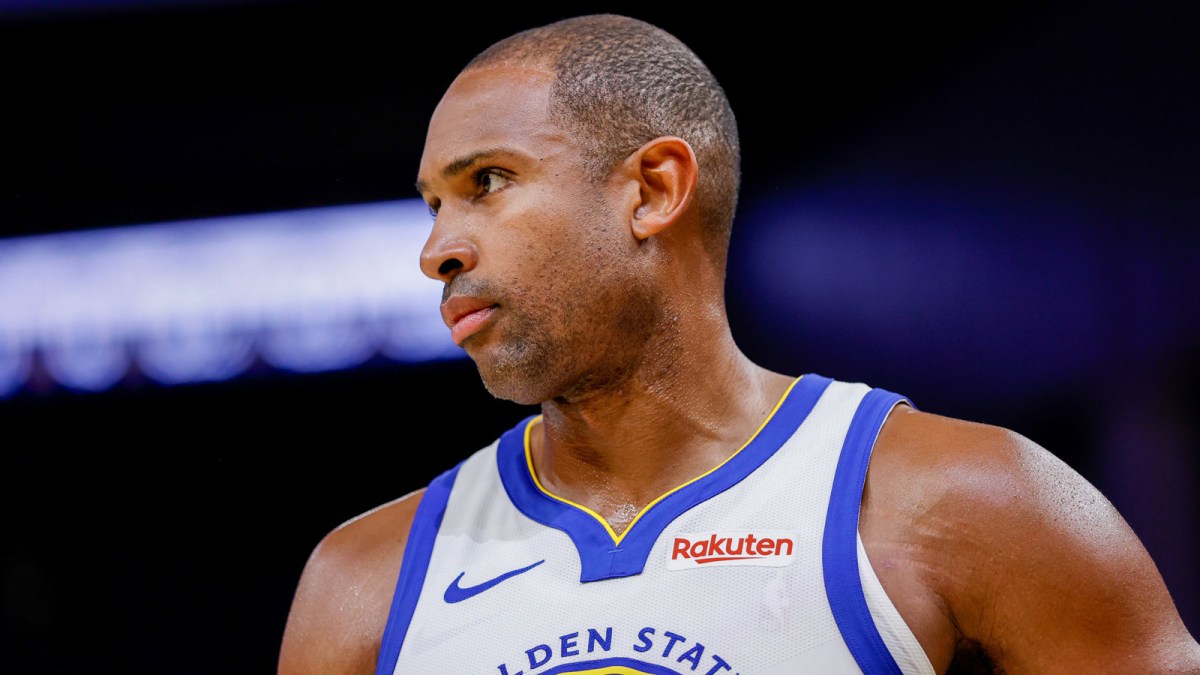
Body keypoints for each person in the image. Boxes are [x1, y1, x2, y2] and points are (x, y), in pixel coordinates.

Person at [277, 13, 1200, 674]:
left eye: (487, 181)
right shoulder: (365, 580)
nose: (437, 250)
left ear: (653, 190)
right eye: (433, 205)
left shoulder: (971, 500)